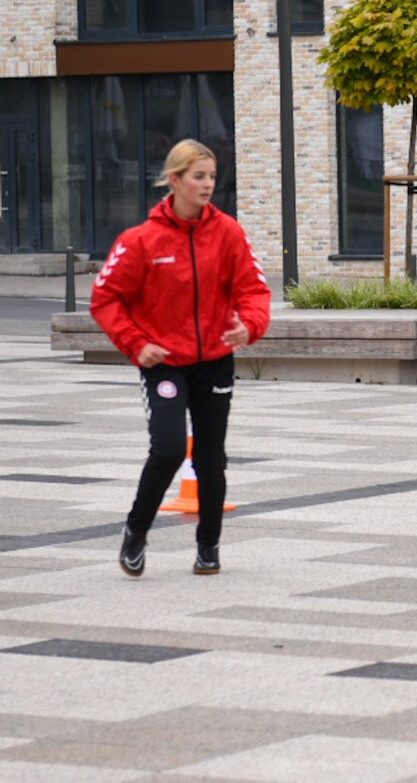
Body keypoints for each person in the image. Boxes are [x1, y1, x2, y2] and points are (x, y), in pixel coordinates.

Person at [90, 139, 271, 577]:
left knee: (211, 459)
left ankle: (208, 547)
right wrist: (136, 343)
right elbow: (106, 299)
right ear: (174, 180)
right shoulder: (142, 240)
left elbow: (253, 289)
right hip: (164, 363)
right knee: (169, 449)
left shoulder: (228, 232)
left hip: (215, 362)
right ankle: (136, 532)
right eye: (198, 176)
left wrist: (250, 324)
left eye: (212, 176)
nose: (208, 184)